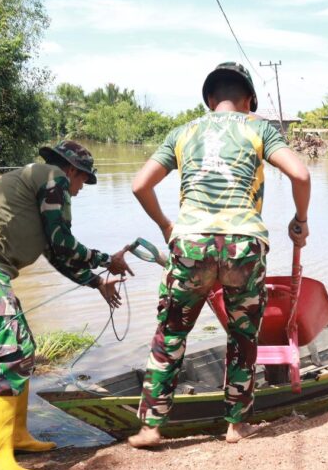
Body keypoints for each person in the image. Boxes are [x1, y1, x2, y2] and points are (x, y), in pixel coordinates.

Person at [129, 62, 311, 448]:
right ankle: (236, 425)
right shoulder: (258, 127)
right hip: (243, 245)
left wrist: (166, 226)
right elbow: (301, 175)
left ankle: (151, 427)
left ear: (211, 99)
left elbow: (139, 185)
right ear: (248, 101)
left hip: (190, 243)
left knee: (172, 333)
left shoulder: (182, 132)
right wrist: (300, 219)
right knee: (243, 337)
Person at [0, 140, 130, 470]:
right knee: (8, 353)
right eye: (82, 181)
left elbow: (54, 252)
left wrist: (96, 282)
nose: (79, 190)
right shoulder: (53, 178)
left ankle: (14, 436)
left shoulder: (37, 186)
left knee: (21, 348)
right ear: (72, 170)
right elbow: (63, 242)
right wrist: (107, 259)